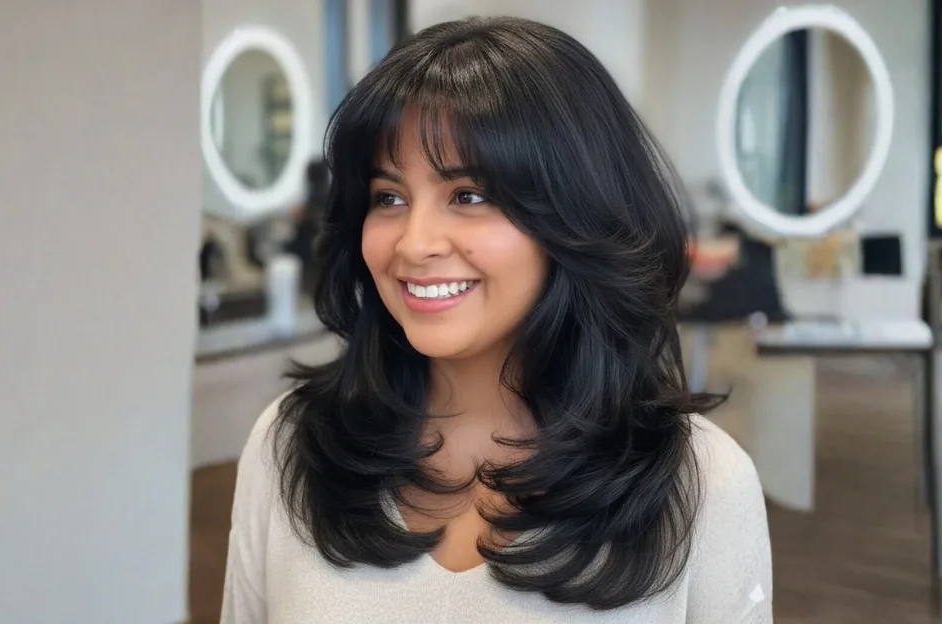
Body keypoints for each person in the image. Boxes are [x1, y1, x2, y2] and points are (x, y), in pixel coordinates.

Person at [221, 16, 772, 623]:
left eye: (468, 195)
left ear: (578, 213)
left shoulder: (704, 484)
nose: (414, 242)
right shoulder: (291, 444)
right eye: (389, 197)